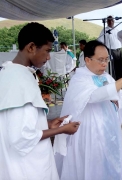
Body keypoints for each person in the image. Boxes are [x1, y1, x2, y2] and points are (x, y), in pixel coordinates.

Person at [54, 40, 122, 180]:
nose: (104, 63)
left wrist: (117, 101)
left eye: (107, 59)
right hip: (88, 133)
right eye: (100, 60)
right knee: (90, 167)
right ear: (87, 60)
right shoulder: (79, 79)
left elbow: (120, 98)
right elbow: (93, 96)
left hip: (108, 131)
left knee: (108, 166)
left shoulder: (106, 77)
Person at [0, 22, 80, 180]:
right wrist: (61, 130)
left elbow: (17, 120)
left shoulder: (9, 73)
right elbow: (21, 138)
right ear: (31, 47)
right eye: (47, 50)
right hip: (27, 168)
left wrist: (47, 123)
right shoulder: (19, 80)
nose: (49, 57)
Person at [98, 15, 122, 80]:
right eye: (109, 20)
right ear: (107, 22)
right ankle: (114, 81)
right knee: (113, 69)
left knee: (119, 68)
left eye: (112, 20)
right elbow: (100, 41)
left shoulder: (117, 30)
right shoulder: (105, 30)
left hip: (119, 50)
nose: (111, 22)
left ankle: (120, 81)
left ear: (114, 21)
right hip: (110, 51)